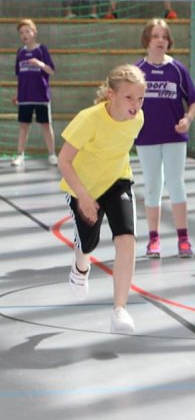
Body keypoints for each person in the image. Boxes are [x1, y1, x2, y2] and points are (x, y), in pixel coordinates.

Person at [58, 64, 146, 334]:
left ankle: (120, 309)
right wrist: (83, 196)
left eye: (140, 98)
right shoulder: (89, 119)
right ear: (111, 94)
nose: (136, 105)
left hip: (118, 180)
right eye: (129, 97)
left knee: (127, 239)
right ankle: (80, 267)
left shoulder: (138, 119)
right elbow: (64, 160)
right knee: (88, 243)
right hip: (83, 187)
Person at [134, 18, 195, 259]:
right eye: (155, 36)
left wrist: (188, 119)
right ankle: (154, 240)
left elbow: (193, 99)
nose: (160, 40)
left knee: (176, 183)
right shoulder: (137, 70)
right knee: (152, 186)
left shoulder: (177, 69)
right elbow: (127, 102)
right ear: (147, 41)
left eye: (164, 36)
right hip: (147, 137)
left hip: (174, 137)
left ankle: (183, 238)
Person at [11, 19, 57, 168]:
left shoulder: (42, 50)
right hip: (25, 97)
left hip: (41, 96)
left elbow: (51, 70)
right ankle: (20, 155)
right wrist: (17, 94)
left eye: (27, 31)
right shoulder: (20, 52)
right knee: (23, 126)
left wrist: (40, 64)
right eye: (21, 32)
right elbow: (19, 75)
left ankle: (51, 154)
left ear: (34, 32)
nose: (24, 34)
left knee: (46, 125)